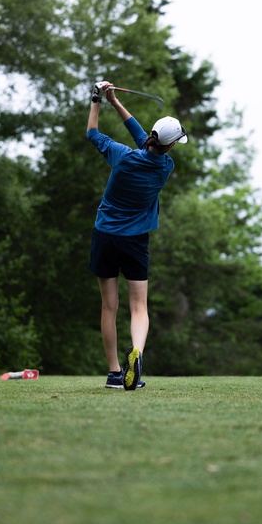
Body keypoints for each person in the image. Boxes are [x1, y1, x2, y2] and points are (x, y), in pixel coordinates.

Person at [86, 81, 187, 390]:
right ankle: (137, 356)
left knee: (109, 306)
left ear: (152, 137)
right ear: (170, 146)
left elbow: (92, 133)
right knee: (139, 307)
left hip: (105, 235)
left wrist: (98, 99)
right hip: (136, 240)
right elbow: (143, 139)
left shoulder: (122, 157)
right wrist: (115, 102)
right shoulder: (165, 167)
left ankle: (114, 373)